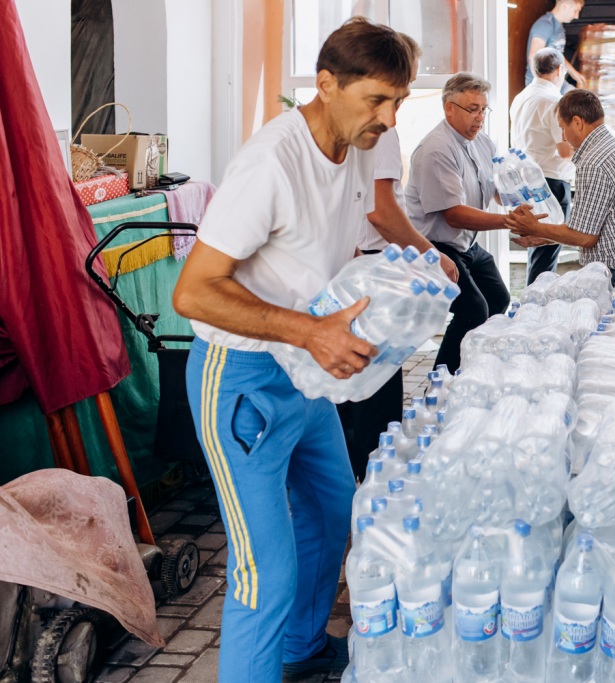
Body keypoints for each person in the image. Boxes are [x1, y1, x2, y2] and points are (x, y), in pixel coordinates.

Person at [171, 18, 416, 682]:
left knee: (336, 508)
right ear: (327, 84)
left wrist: (414, 273)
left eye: (399, 101)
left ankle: (302, 647)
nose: (390, 118)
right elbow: (192, 293)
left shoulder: (360, 149)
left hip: (305, 374)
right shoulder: (269, 164)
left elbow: (336, 247)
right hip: (242, 377)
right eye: (376, 100)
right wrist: (311, 331)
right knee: (264, 568)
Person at [336, 39, 460, 479]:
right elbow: (381, 211)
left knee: (352, 384)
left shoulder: (338, 128)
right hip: (370, 265)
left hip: (349, 263)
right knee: (377, 386)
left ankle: (352, 471)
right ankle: (373, 476)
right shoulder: (380, 131)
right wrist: (430, 256)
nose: (396, 109)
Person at [506, 88, 615, 286]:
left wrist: (535, 227)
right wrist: (544, 236)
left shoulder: (594, 162)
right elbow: (592, 229)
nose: (563, 137)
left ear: (578, 122)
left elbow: (585, 237)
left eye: (563, 128)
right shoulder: (606, 148)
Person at [405, 72, 510, 371]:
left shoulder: (482, 142)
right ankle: (442, 382)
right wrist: (510, 223)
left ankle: (473, 367)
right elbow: (454, 213)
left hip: (465, 242)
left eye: (483, 109)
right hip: (433, 245)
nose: (480, 117)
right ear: (449, 108)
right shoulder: (436, 149)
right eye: (472, 109)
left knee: (498, 298)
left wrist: (519, 198)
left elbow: (496, 190)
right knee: (472, 308)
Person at [510, 47, 575, 285]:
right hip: (551, 183)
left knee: (536, 250)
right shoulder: (554, 101)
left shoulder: (521, 97)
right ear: (560, 70)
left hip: (525, 180)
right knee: (546, 250)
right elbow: (565, 150)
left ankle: (531, 301)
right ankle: (534, 305)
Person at [524, 0, 587, 92]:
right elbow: (533, 55)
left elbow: (557, 54)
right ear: (565, 6)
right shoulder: (545, 24)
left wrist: (574, 73)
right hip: (543, 84)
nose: (576, 16)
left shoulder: (559, 27)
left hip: (557, 82)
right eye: (575, 11)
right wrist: (542, 86)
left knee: (579, 100)